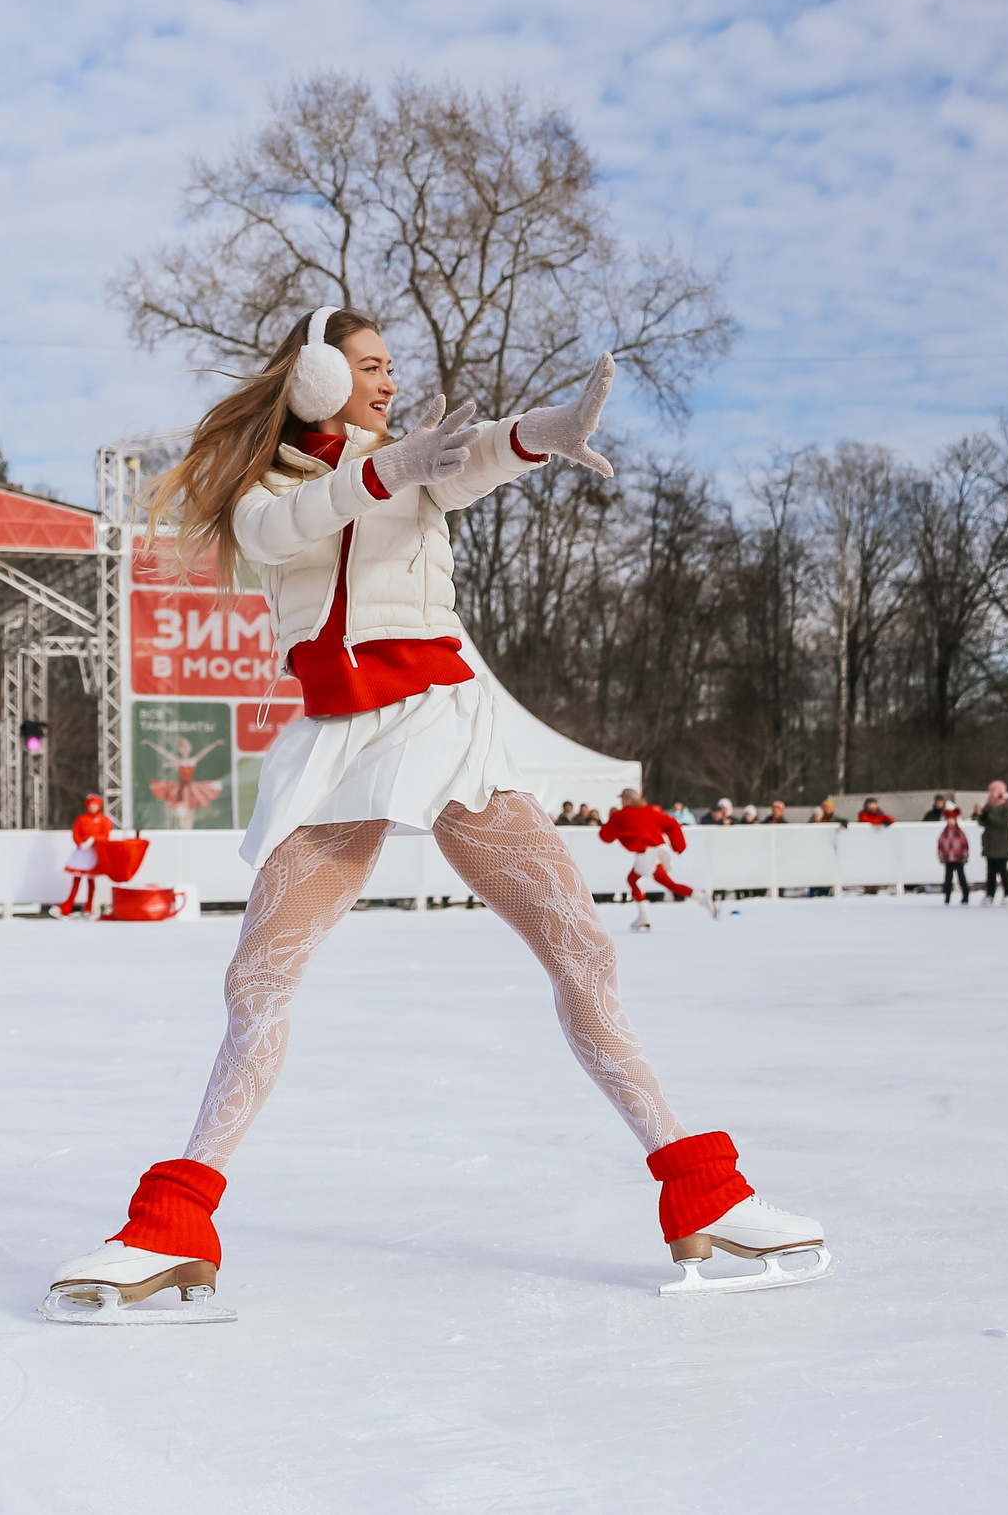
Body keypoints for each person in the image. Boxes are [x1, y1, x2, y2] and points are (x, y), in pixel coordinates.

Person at [42, 312, 826, 1324]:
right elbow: (285, 530)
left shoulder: (410, 463)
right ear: (317, 376)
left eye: (389, 367)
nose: (388, 381)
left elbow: (473, 458)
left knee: (580, 948)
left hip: (440, 725)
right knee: (257, 979)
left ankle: (705, 1193)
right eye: (368, 367)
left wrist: (548, 427)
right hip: (338, 741)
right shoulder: (267, 487)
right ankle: (173, 1224)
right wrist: (389, 467)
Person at [598, 786, 709, 931]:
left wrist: (611, 821)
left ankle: (644, 916)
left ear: (625, 800)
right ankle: (700, 897)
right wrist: (678, 845)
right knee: (667, 883)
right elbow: (672, 824)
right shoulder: (650, 811)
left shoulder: (620, 815)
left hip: (647, 852)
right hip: (659, 850)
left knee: (633, 880)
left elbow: (605, 837)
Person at [60, 793, 113, 917]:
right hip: (82, 852)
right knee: (77, 879)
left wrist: (94, 839)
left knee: (91, 880)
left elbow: (105, 835)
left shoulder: (104, 820)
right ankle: (67, 906)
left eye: (94, 805)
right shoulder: (82, 819)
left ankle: (89, 906)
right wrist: (80, 843)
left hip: (93, 853)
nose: (92, 808)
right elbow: (76, 832)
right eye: (90, 805)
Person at [975, 781, 1008, 905]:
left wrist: (989, 816)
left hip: (1002, 843)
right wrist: (981, 816)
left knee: (1002, 869)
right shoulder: (988, 805)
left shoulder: (1006, 806)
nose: (991, 793)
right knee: (990, 870)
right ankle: (990, 894)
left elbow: (1004, 823)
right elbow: (983, 822)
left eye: (993, 791)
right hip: (990, 842)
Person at [935, 802, 970, 904]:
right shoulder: (944, 833)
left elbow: (964, 844)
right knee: (948, 879)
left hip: (958, 858)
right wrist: (941, 856)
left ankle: (965, 896)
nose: (951, 821)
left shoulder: (959, 832)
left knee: (961, 878)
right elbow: (940, 844)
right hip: (948, 859)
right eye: (949, 819)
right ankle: (947, 897)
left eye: (952, 819)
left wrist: (965, 855)